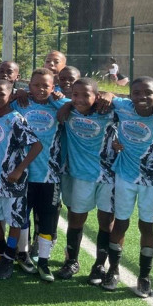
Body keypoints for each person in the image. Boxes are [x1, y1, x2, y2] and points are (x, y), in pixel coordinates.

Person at [103, 77, 153, 296]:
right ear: (130, 95)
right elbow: (107, 97)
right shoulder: (123, 107)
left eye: (148, 93)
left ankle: (144, 276)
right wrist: (108, 95)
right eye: (136, 92)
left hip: (151, 181)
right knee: (120, 224)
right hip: (124, 176)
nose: (142, 97)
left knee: (147, 227)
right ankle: (113, 270)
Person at [56, 77, 118, 282]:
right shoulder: (69, 111)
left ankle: (100, 266)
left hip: (108, 176)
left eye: (86, 95)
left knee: (106, 222)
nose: (80, 99)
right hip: (80, 177)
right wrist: (66, 104)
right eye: (75, 94)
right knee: (76, 219)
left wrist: (111, 94)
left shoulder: (109, 112)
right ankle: (71, 261)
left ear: (97, 96)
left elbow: (127, 104)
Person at [12, 68, 67, 281]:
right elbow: (1, 106)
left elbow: (72, 108)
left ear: (53, 87)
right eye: (36, 85)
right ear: (29, 86)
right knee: (22, 216)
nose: (41, 89)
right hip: (23, 174)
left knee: (47, 219)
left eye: (46, 85)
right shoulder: (21, 104)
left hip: (49, 175)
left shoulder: (58, 106)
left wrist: (60, 98)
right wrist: (17, 93)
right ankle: (23, 254)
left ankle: (44, 262)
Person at [0, 80, 42, 280]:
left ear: (10, 96)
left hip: (12, 181)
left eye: (0, 94)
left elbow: (36, 145)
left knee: (14, 221)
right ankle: (2, 253)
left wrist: (19, 169)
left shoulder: (15, 119)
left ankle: (9, 258)